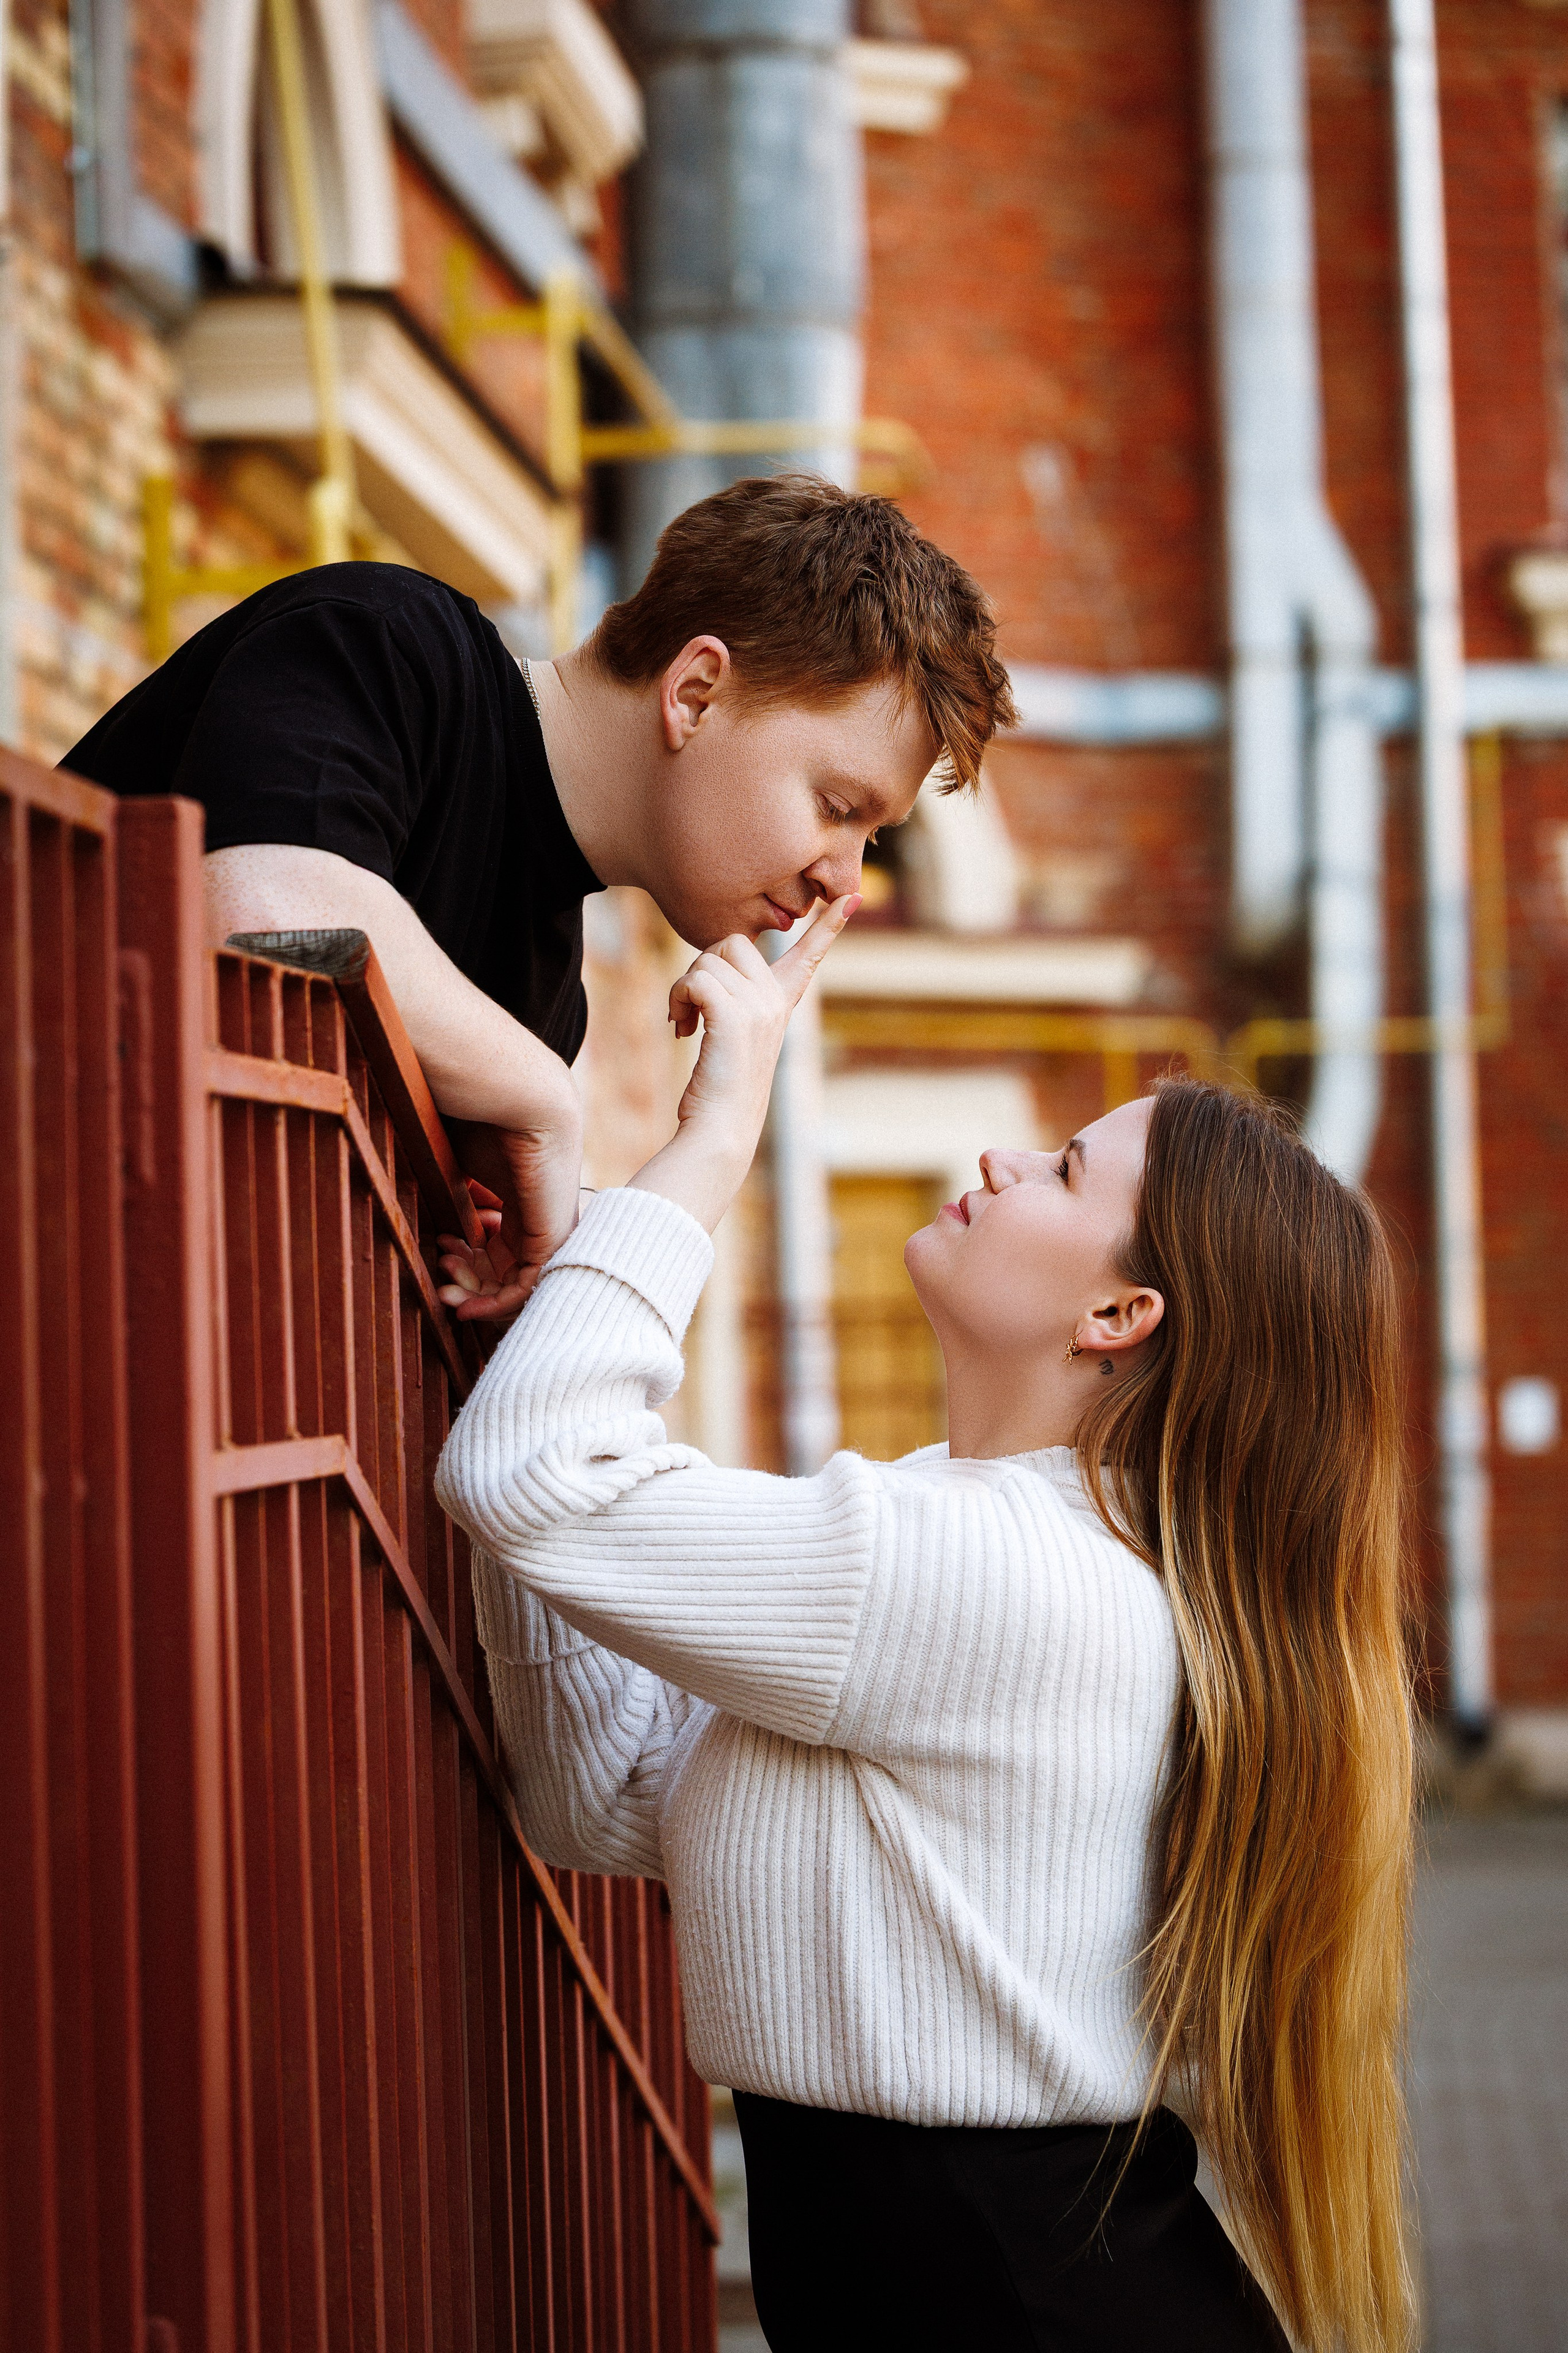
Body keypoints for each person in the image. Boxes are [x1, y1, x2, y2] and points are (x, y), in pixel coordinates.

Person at [432, 926, 1415, 2352]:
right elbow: (602, 1792)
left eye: (1065, 1171)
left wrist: (709, 1142)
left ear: (1116, 1314)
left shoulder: (986, 1577)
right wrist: (540, 1342)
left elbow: (531, 1482)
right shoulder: (966, 1545)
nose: (1003, 1163)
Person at [62, 475, 1012, 1312]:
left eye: (870, 838)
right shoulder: (389, 643)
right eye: (838, 805)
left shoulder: (549, 986)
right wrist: (540, 1097)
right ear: (695, 693)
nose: (844, 877)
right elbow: (256, 901)